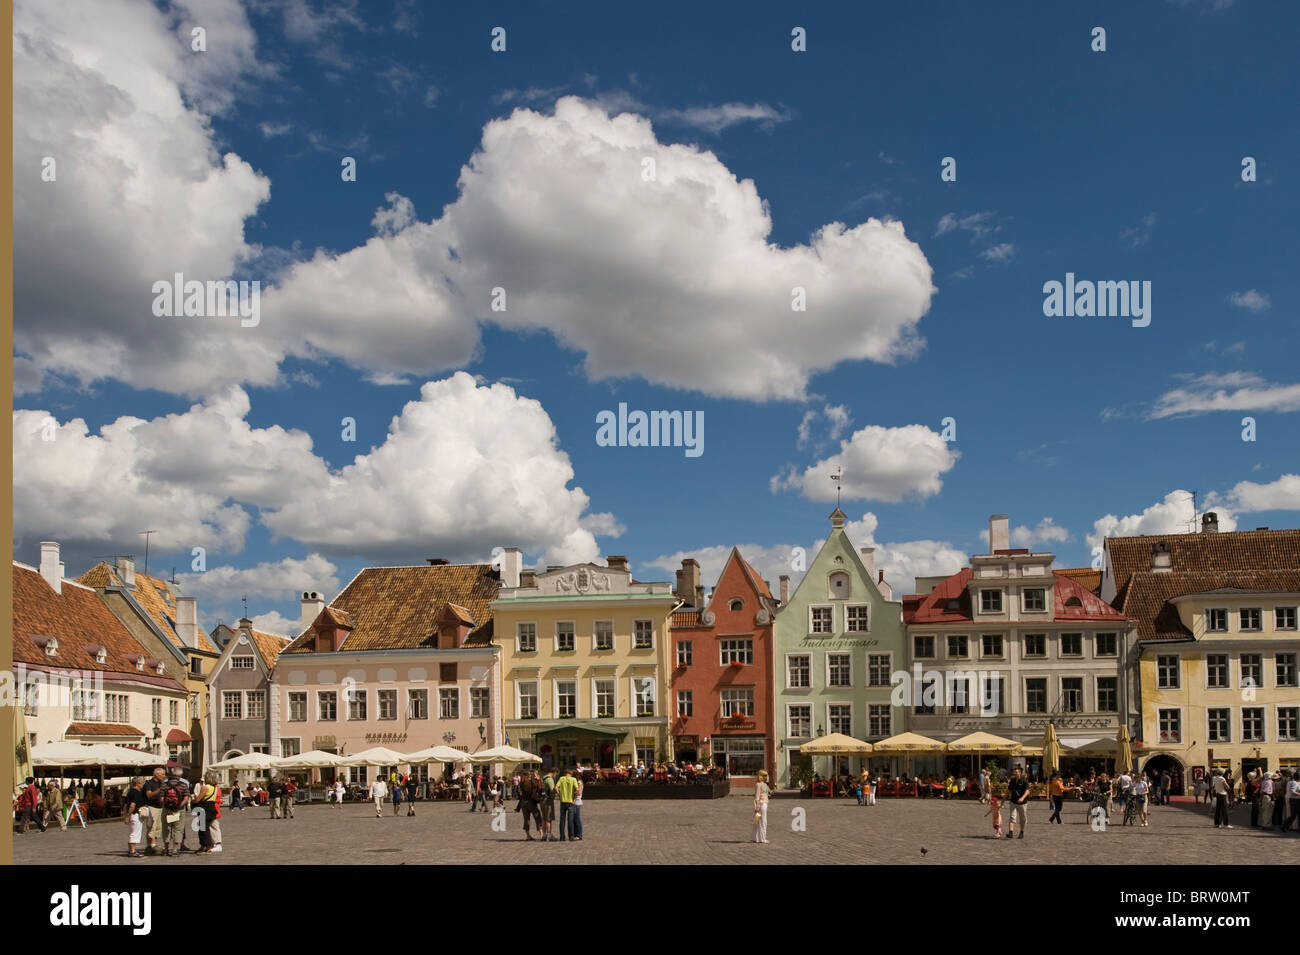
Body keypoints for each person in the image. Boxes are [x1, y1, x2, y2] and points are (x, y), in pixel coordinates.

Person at [161, 767, 190, 856]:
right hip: (179, 810)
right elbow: (186, 799)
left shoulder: (164, 785)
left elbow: (161, 798)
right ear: (180, 775)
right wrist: (178, 807)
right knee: (178, 829)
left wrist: (168, 808)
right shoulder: (184, 785)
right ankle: (175, 849)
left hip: (167, 810)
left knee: (167, 828)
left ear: (171, 775)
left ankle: (166, 849)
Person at [142, 767, 167, 853]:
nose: (164, 776)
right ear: (156, 774)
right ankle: (150, 845)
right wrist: (159, 789)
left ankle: (154, 844)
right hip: (152, 807)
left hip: (160, 807)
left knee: (158, 827)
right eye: (162, 774)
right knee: (152, 826)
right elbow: (149, 795)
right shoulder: (149, 783)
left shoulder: (162, 783)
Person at [124, 777, 147, 857]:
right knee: (135, 833)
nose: (143, 785)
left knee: (133, 832)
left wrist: (126, 814)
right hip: (135, 814)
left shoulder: (130, 791)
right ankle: (132, 851)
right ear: (139, 783)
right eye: (143, 783)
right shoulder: (136, 792)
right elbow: (132, 805)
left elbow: (126, 805)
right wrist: (128, 815)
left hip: (133, 814)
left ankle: (131, 850)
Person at [555, 767, 580, 841]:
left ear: (565, 773)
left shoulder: (561, 778)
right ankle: (571, 836)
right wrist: (574, 798)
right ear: (571, 774)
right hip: (570, 802)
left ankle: (562, 836)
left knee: (562, 820)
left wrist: (559, 794)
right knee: (570, 820)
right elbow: (577, 790)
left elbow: (556, 787)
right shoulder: (573, 779)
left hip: (563, 801)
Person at [518, 770, 543, 841]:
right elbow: (538, 788)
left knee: (526, 819)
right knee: (537, 817)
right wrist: (538, 780)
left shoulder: (521, 783)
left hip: (523, 802)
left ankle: (528, 835)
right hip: (531, 802)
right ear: (529, 775)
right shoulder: (531, 782)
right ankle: (541, 834)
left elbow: (520, 793)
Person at [1006, 766, 1029, 839]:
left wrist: (1022, 798)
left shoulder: (1024, 781)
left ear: (1020, 773)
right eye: (1014, 771)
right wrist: (1003, 800)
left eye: (1016, 772)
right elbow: (1009, 790)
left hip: (1022, 803)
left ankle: (1021, 832)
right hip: (1013, 801)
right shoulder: (1012, 781)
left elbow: (1028, 791)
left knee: (1023, 819)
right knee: (1012, 817)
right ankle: (1010, 833)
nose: (1014, 773)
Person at [540, 767, 558, 840]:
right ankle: (549, 835)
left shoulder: (543, 778)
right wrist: (556, 790)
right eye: (556, 774)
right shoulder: (550, 779)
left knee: (544, 818)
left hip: (542, 799)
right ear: (554, 772)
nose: (556, 776)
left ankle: (544, 835)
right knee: (548, 818)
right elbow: (551, 790)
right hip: (548, 800)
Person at [752, 769, 771, 843]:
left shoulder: (765, 784)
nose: (766, 777)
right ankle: (762, 839)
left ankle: (755, 838)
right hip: (760, 804)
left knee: (757, 821)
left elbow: (768, 794)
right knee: (762, 822)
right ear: (761, 776)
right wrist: (757, 805)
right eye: (764, 775)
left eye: (767, 775)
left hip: (764, 804)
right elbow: (757, 796)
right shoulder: (758, 784)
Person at [570, 772, 584, 841]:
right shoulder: (578, 782)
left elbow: (579, 792)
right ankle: (576, 834)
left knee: (577, 819)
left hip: (577, 802)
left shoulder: (579, 782)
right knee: (574, 819)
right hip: (576, 802)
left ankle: (579, 835)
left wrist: (573, 794)